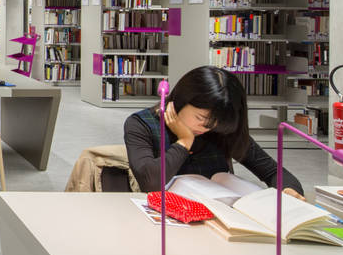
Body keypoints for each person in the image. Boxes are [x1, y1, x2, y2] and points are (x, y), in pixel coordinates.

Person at [124, 66, 304, 198]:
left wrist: (289, 191)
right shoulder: (141, 124)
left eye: (214, 124)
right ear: (181, 99)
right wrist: (185, 140)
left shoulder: (220, 129)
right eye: (200, 118)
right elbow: (151, 182)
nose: (206, 128)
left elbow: (273, 172)